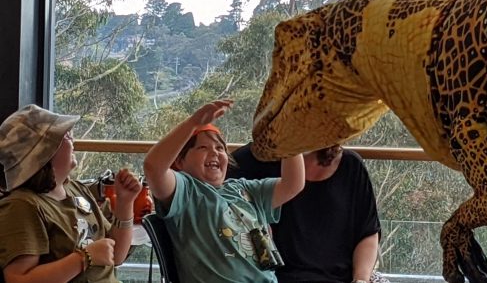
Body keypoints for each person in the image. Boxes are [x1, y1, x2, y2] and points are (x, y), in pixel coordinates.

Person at [143, 99, 305, 283]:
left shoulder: (245, 188)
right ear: (180, 162)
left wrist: (291, 138)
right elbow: (153, 168)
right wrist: (193, 123)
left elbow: (293, 184)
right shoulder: (186, 191)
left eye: (220, 148)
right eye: (203, 147)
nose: (215, 153)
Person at [0, 104, 142, 283]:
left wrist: (125, 203)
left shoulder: (77, 190)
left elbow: (115, 256)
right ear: (44, 154)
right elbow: (17, 278)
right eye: (63, 135)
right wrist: (84, 258)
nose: (72, 137)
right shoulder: (22, 205)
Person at [230, 142, 387, 283]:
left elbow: (367, 232)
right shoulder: (251, 160)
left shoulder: (351, 165)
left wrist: (361, 279)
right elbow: (213, 198)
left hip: (339, 278)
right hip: (273, 278)